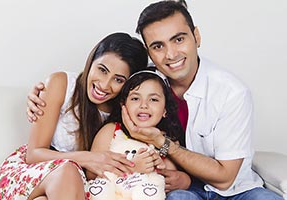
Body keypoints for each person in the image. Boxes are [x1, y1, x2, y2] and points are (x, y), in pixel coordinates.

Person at [25, 1, 284, 200]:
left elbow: (226, 179)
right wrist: (41, 92)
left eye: (179, 39)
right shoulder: (143, 82)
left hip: (235, 189)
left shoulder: (231, 93)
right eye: (158, 46)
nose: (171, 54)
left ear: (197, 37)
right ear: (149, 52)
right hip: (175, 187)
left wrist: (162, 144)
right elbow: (101, 81)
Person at [0, 32, 150, 200]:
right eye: (102, 70)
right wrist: (86, 158)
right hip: (31, 174)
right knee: (68, 170)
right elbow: (33, 154)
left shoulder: (125, 111)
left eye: (118, 80)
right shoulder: (62, 84)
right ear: (92, 60)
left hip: (72, 188)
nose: (104, 84)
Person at [87, 68, 191, 199]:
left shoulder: (168, 141)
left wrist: (185, 180)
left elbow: (171, 175)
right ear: (123, 105)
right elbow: (91, 174)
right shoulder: (111, 131)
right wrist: (131, 167)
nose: (144, 105)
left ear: (165, 109)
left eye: (153, 100)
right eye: (135, 98)